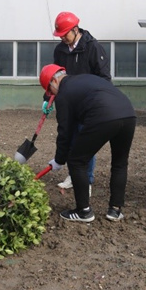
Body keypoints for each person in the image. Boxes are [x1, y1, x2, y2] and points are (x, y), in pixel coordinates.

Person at [40, 64, 136, 223]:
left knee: (76, 161)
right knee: (120, 163)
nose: (52, 95)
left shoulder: (63, 94)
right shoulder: (84, 79)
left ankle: (83, 211)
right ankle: (115, 210)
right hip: (128, 114)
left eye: (50, 91)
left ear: (54, 81)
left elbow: (65, 131)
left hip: (103, 115)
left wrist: (59, 160)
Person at [48, 11, 111, 190]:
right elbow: (54, 76)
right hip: (68, 102)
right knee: (69, 137)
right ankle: (73, 175)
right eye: (59, 36)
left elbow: (104, 77)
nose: (62, 39)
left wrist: (99, 101)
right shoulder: (60, 50)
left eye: (65, 34)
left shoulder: (93, 48)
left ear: (75, 30)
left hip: (88, 104)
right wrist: (49, 98)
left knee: (85, 142)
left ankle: (86, 180)